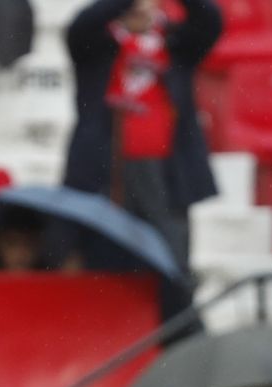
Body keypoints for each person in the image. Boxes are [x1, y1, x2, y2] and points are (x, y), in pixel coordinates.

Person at [63, 0, 224, 282]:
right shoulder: (97, 45)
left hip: (168, 172)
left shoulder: (177, 44)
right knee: (106, 258)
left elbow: (210, 20)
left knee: (171, 259)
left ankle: (177, 320)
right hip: (106, 171)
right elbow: (82, 25)